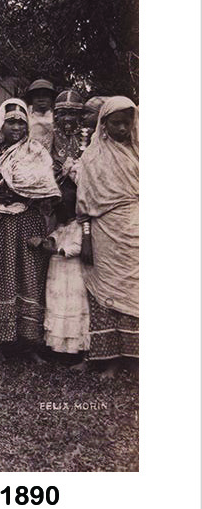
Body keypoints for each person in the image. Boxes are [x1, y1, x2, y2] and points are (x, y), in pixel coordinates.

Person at [0, 99, 60, 361]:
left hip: (28, 222)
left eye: (21, 122)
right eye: (10, 121)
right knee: (0, 276)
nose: (16, 127)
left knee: (29, 276)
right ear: (1, 123)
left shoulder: (36, 152)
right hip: (0, 223)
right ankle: (0, 343)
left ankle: (29, 344)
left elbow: (45, 190)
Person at [76, 96, 138, 378]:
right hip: (104, 232)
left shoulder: (141, 153)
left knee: (136, 290)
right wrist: (86, 238)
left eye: (127, 123)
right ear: (104, 124)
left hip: (136, 229)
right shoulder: (93, 156)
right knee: (106, 294)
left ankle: (135, 358)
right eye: (116, 123)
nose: (122, 128)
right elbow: (85, 205)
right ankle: (109, 360)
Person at [38, 190, 90, 364]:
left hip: (73, 274)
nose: (59, 209)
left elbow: (77, 248)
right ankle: (58, 349)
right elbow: (54, 236)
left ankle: (76, 350)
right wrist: (47, 241)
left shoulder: (79, 225)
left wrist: (57, 250)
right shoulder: (62, 226)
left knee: (72, 307)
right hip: (57, 274)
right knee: (57, 306)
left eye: (62, 205)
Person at [50, 90, 85, 194]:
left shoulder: (88, 135)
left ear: (80, 115)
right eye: (62, 114)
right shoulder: (50, 134)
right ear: (56, 115)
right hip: (56, 186)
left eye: (72, 114)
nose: (67, 118)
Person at [24, 78, 56, 151]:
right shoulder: (26, 115)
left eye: (45, 95)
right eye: (37, 96)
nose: (41, 99)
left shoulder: (56, 116)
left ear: (51, 98)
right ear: (31, 98)